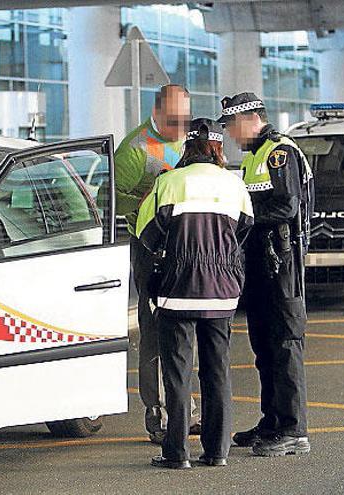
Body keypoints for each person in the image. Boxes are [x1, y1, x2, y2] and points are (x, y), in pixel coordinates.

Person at [137, 118, 254, 469]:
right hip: (222, 292)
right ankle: (217, 451)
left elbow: (146, 235)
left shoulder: (168, 183)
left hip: (178, 291)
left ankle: (177, 453)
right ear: (218, 149)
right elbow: (245, 233)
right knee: (217, 371)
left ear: (187, 148)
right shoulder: (235, 185)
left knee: (177, 373)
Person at [219, 93, 314, 457]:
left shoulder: (279, 152)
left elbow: (287, 205)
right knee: (265, 347)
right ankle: (272, 420)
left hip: (282, 263)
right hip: (262, 264)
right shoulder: (255, 157)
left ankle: (293, 429)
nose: (229, 133)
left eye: (231, 125)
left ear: (249, 119)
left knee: (285, 344)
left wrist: (241, 211)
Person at [114, 84, 199, 443]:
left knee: (185, 328)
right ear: (156, 111)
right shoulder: (134, 151)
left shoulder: (190, 140)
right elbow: (114, 202)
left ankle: (185, 408)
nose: (181, 127)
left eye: (186, 119)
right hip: (151, 247)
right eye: (174, 120)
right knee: (154, 331)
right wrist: (149, 199)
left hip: (189, 245)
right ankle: (156, 410)